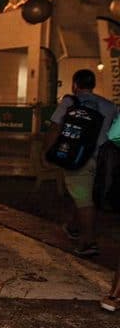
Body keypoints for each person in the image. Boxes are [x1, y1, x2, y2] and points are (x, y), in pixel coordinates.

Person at [45, 69, 116, 257]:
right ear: (93, 84)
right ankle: (74, 227)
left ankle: (88, 242)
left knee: (84, 200)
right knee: (84, 195)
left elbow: (55, 128)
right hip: (101, 160)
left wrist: (49, 154)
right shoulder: (109, 106)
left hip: (78, 159)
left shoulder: (69, 102)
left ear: (75, 84)